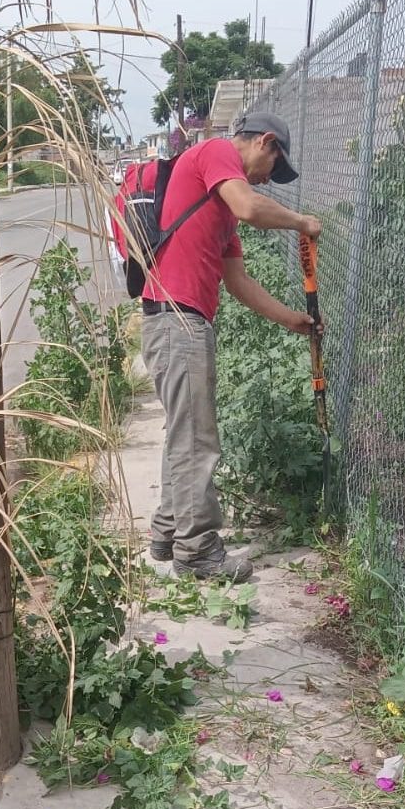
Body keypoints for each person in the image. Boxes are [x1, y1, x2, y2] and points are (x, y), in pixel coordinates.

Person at [140, 112, 322, 582]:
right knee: (197, 438)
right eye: (270, 167)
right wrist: (301, 222)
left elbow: (238, 281)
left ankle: (168, 532)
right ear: (264, 142)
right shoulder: (217, 153)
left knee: (185, 431)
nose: (266, 180)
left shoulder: (217, 208)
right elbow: (250, 207)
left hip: (178, 320)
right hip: (177, 319)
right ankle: (198, 550)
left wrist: (292, 320)